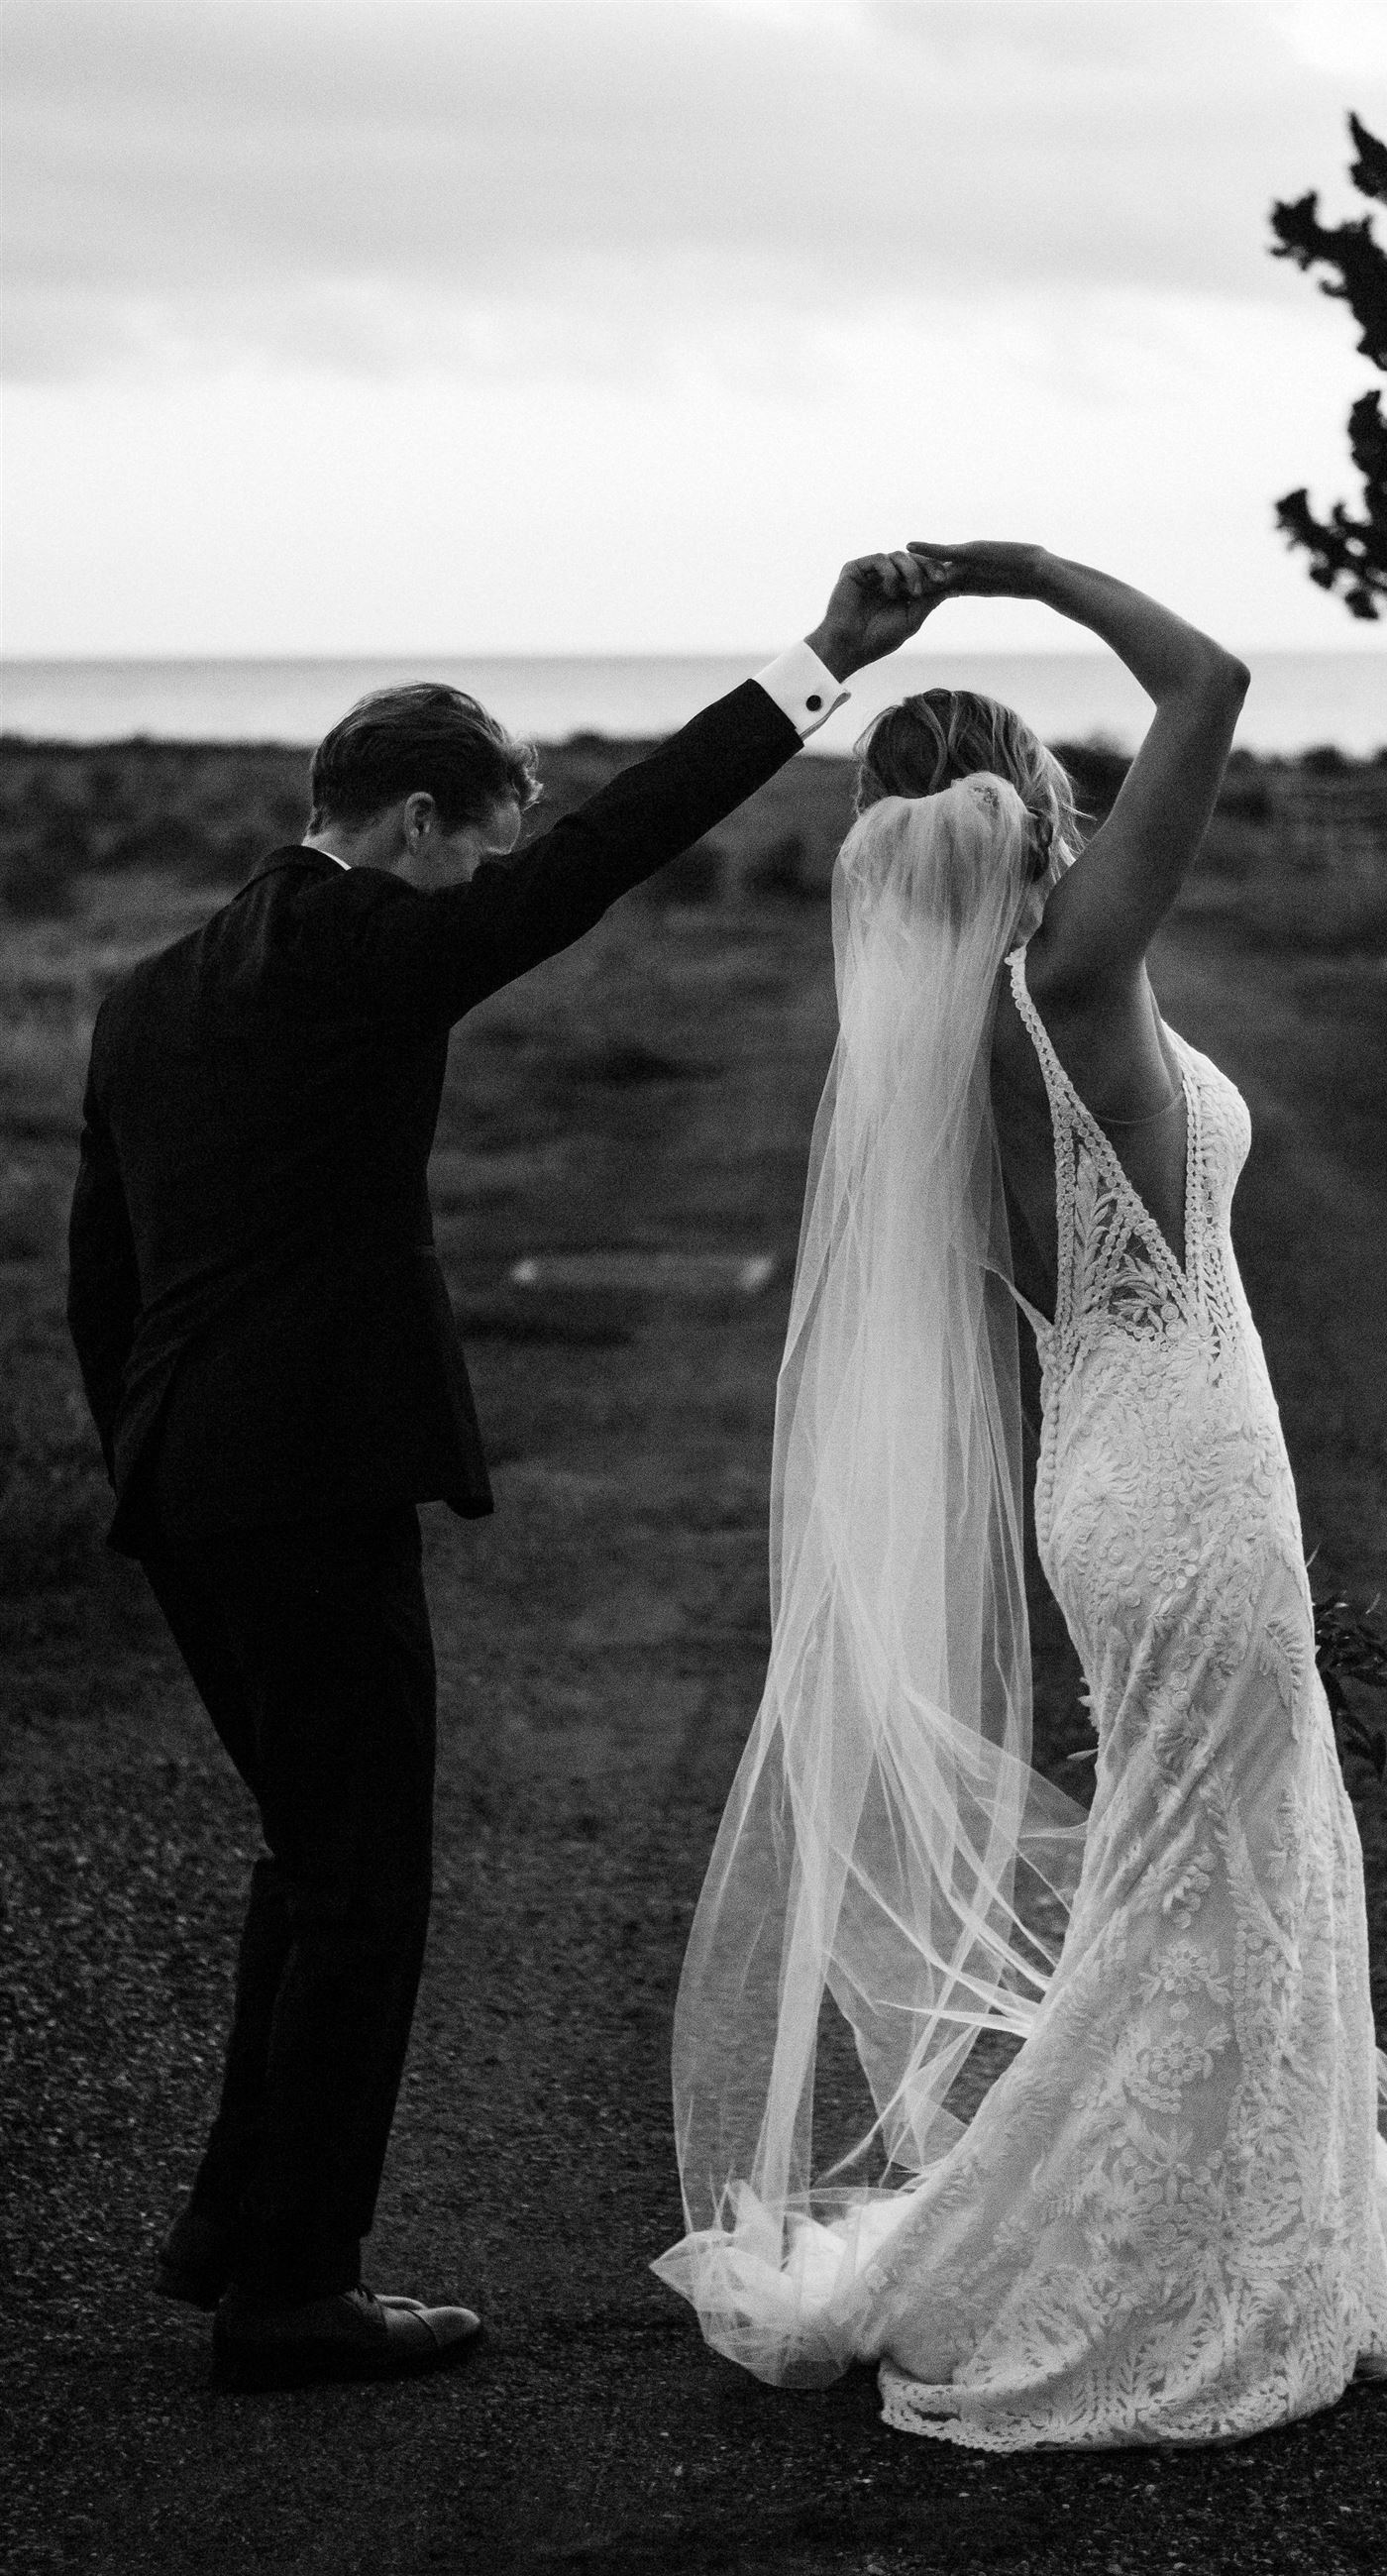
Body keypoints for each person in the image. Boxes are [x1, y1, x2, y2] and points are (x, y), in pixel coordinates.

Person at [654, 541, 1387, 2446]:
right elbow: (1211, 682)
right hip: (1192, 1480)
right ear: (1030, 811)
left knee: (1203, 1866)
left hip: (1107, 1479)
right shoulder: (1069, 979)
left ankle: (1201, 2216)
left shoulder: (938, 1044)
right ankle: (1162, 2256)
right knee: (1211, 1876)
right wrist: (1014, 568)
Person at [65, 547, 952, 2392]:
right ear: (414, 822)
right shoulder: (366, 949)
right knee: (365, 1880)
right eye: (479, 849)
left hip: (183, 1479)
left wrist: (147, 1462)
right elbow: (606, 852)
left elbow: (100, 1277)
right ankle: (292, 2290)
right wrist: (824, 662)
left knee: (310, 1855)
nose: (489, 883)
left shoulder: (151, 988)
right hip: (306, 1482)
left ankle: (240, 2234)